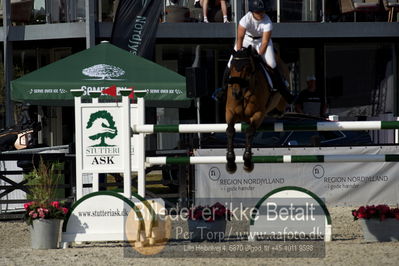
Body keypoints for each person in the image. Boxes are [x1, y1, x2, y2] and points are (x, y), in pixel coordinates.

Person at [216, 0, 293, 102]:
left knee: (272, 63)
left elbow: (265, 42)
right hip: (246, 40)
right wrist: (239, 53)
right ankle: (223, 89)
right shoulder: (245, 20)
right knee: (230, 63)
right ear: (252, 12)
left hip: (262, 41)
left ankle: (284, 91)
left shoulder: (267, 22)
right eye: (258, 12)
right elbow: (240, 38)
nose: (261, 14)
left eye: (262, 11)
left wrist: (259, 56)